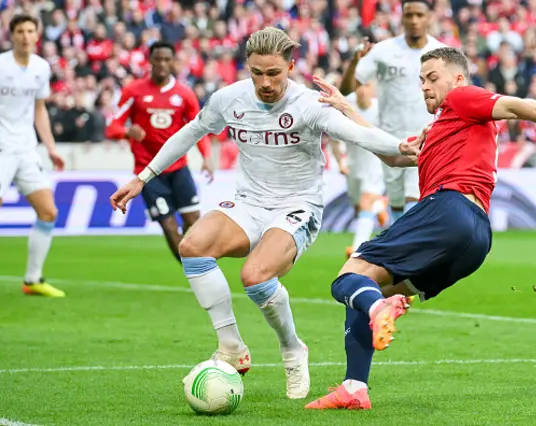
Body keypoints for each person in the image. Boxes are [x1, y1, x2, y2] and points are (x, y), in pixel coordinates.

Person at [108, 27, 419, 400]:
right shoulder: (229, 99)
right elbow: (190, 133)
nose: (266, 82)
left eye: (274, 73)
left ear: (290, 66)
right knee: (192, 246)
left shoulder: (308, 105)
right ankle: (232, 347)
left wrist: (400, 145)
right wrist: (143, 178)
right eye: (257, 72)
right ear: (247, 67)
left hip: (298, 206)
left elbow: (358, 135)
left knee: (254, 276)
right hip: (249, 201)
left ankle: (291, 348)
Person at [306, 47, 536, 410]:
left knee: (346, 279)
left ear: (458, 79)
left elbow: (513, 105)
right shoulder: (440, 128)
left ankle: (377, 313)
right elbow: (390, 152)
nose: (425, 87)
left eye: (433, 78)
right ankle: (354, 388)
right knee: (366, 290)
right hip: (476, 239)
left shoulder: (463, 99)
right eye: (421, 81)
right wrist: (346, 108)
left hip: (448, 209)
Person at [340, 0, 446, 224]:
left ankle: (411, 252)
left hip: (425, 139)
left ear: (429, 18)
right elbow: (347, 89)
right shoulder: (383, 51)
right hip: (390, 141)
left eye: (419, 15)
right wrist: (353, 63)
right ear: (402, 18)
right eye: (409, 15)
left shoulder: (441, 54)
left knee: (413, 201)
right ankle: (405, 250)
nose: (414, 20)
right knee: (397, 207)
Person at [105, 41, 213, 262]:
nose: (162, 64)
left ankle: (197, 265)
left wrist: (207, 157)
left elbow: (199, 128)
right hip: (147, 172)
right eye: (158, 59)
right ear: (150, 60)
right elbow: (112, 127)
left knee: (194, 221)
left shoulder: (184, 93)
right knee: (169, 225)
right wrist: (127, 132)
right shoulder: (134, 91)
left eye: (167, 59)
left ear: (172, 61)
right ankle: (192, 270)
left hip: (178, 167)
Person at [0, 15, 66, 297]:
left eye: (30, 31)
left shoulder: (40, 67)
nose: (25, 36)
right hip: (2, 147)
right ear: (11, 35)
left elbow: (39, 110)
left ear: (37, 35)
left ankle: (33, 280)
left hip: (26, 147)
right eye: (20, 31)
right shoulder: (1, 65)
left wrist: (50, 147)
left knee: (48, 211)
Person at [329, 81, 387, 258]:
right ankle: (380, 207)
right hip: (354, 165)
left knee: (364, 203)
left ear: (372, 88)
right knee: (359, 208)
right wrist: (340, 163)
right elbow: (334, 139)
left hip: (374, 165)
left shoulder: (380, 109)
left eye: (365, 85)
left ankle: (357, 249)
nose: (361, 90)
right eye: (358, 85)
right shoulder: (346, 106)